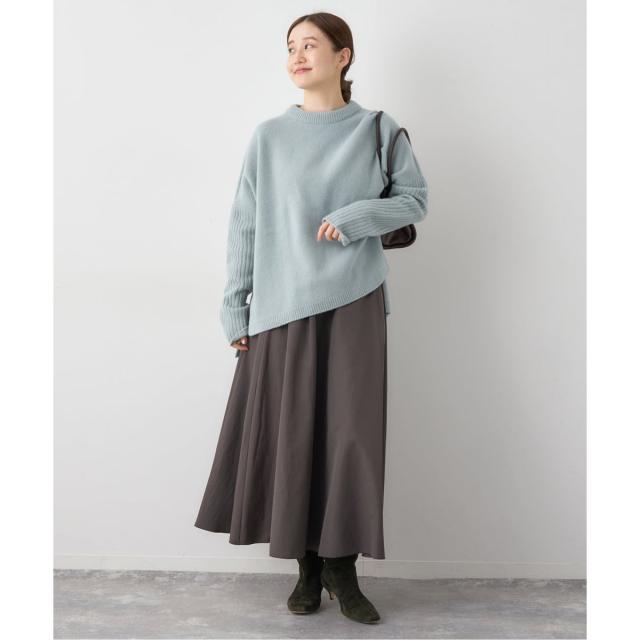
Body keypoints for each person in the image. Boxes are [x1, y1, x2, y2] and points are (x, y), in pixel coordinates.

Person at [194, 11, 428, 625]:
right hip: (281, 306)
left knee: (351, 439)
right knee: (293, 436)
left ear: (343, 56)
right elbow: (245, 223)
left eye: (310, 45)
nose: (297, 56)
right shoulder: (269, 137)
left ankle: (342, 570)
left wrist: (357, 217)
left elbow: (414, 200)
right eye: (291, 47)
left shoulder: (378, 129)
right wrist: (234, 305)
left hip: (355, 300)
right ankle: (306, 568)